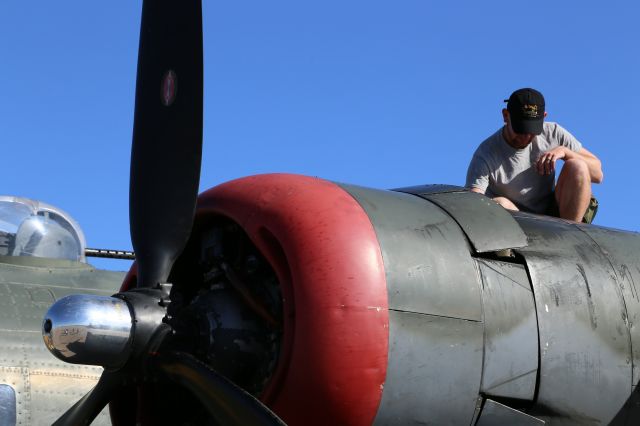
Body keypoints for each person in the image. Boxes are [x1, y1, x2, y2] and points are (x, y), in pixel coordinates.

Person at [466, 88, 603, 223]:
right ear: (506, 116)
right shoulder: (486, 153)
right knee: (500, 203)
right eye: (520, 130)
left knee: (577, 165)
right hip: (517, 224)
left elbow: (598, 174)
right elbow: (474, 202)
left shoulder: (553, 133)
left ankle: (571, 236)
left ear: (543, 117)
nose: (526, 137)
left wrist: (565, 152)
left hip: (555, 218)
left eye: (532, 130)